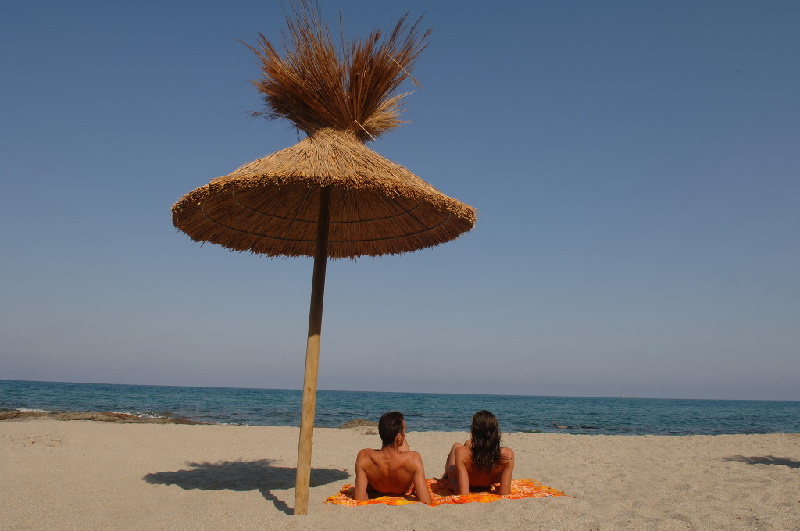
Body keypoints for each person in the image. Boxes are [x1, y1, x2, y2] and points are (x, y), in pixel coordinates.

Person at [353, 411, 432, 504]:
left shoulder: (364, 456)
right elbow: (426, 501)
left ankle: (392, 437)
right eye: (404, 431)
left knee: (394, 443)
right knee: (402, 445)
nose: (404, 434)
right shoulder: (413, 458)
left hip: (378, 487)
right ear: (398, 437)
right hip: (401, 488)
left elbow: (359, 498)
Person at [442, 410, 515, 495]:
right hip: (488, 481)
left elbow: (463, 494)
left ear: (474, 430)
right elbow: (505, 493)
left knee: (457, 446)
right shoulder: (508, 455)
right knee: (468, 443)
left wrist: (453, 484)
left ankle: (445, 476)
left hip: (469, 481)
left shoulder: (460, 452)